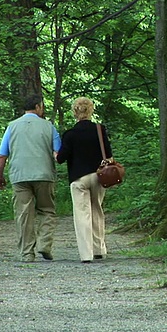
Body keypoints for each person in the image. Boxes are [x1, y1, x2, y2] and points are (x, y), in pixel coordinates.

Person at [0, 95, 61, 262]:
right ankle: (44, 245)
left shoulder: (12, 127)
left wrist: (0, 176)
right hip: (44, 174)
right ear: (38, 107)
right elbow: (58, 153)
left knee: (24, 213)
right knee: (47, 210)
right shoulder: (49, 127)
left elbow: (2, 155)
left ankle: (27, 253)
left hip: (19, 176)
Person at [56, 97, 112, 263]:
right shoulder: (100, 130)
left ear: (75, 112)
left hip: (78, 178)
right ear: (91, 110)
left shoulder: (70, 134)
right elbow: (109, 155)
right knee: (97, 211)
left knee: (82, 215)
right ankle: (99, 249)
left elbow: (61, 159)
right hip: (98, 176)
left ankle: (86, 254)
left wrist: (56, 154)